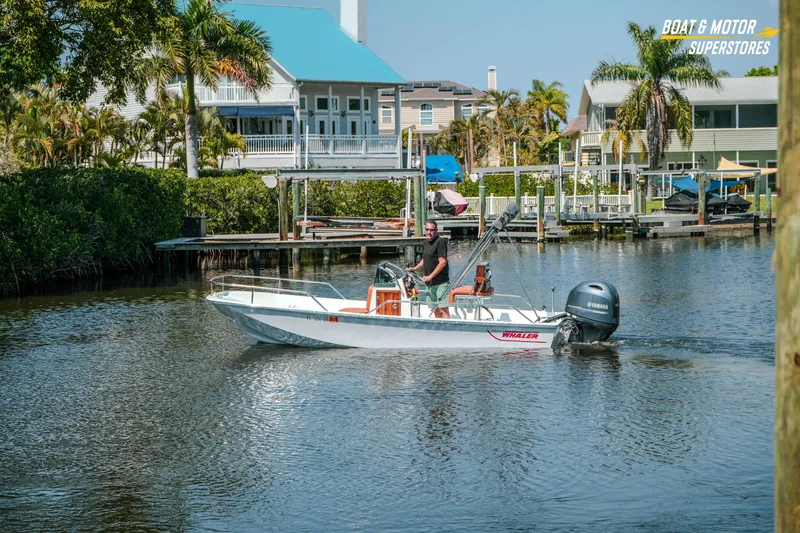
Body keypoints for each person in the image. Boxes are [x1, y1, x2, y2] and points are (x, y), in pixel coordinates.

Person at [408, 221, 450, 318]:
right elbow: (425, 259)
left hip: (441, 283)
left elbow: (443, 262)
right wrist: (414, 268)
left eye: (432, 230)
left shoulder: (440, 242)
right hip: (429, 284)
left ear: (436, 230)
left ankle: (447, 330)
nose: (429, 232)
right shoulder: (425, 243)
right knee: (435, 308)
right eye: (427, 229)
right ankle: (439, 329)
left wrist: (429, 276)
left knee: (443, 309)